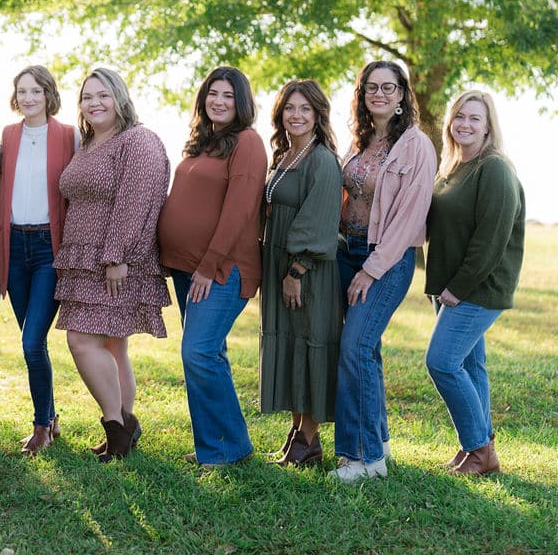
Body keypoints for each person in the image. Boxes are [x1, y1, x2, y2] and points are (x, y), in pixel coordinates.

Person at [54, 67, 170, 462]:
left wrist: (117, 257)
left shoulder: (138, 141)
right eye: (87, 97)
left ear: (120, 98)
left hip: (115, 260)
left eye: (103, 95)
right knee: (112, 345)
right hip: (82, 259)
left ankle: (115, 427)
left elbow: (136, 202)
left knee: (81, 340)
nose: (94, 103)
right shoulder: (87, 145)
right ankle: (124, 425)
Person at [331, 60, 435, 482]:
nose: (379, 94)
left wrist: (371, 270)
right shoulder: (359, 140)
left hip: (385, 260)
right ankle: (379, 444)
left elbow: (410, 219)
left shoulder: (415, 146)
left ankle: (362, 458)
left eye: (388, 88)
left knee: (354, 348)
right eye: (371, 87)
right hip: (347, 250)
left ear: (401, 96)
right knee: (365, 351)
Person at [158, 67, 266, 467]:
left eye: (228, 95)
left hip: (222, 269)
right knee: (207, 352)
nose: (219, 101)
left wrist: (209, 265)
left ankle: (227, 448)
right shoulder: (203, 142)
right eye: (213, 93)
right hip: (189, 268)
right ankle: (217, 446)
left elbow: (240, 211)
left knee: (199, 352)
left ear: (242, 102)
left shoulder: (248, 143)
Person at [424, 90, 524, 476]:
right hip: (450, 285)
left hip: (477, 289)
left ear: (488, 126)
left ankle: (478, 448)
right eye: (459, 116)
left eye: (475, 118)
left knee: (442, 362)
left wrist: (457, 287)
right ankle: (481, 450)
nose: (464, 124)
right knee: (471, 364)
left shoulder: (494, 168)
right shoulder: (453, 167)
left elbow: (490, 240)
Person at [259, 80, 343, 468]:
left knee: (310, 341)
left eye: (304, 109)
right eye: (290, 108)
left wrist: (296, 270)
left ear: (318, 115)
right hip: (279, 265)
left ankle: (309, 437)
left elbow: (320, 221)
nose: (296, 115)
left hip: (307, 271)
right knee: (291, 343)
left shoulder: (321, 160)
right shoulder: (285, 155)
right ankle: (298, 432)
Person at [0, 65, 76, 455]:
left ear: (48, 94)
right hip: (14, 247)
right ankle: (52, 416)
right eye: (22, 91)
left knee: (31, 341)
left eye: (36, 91)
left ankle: (41, 426)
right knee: (34, 341)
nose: (28, 98)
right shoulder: (8, 136)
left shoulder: (67, 135)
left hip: (49, 248)